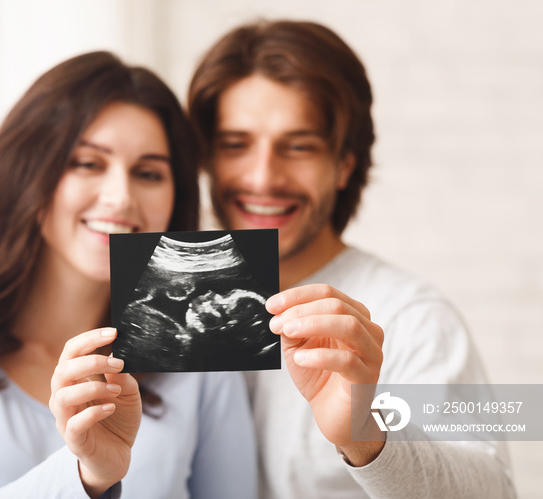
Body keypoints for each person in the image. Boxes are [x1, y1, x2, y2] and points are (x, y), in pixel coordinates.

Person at [0, 51, 256, 499]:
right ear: (26, 172)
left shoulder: (199, 356)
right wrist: (85, 476)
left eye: (148, 173)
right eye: (88, 163)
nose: (121, 197)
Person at [188, 19, 516, 498]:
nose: (262, 177)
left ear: (344, 163)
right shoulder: (171, 302)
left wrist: (367, 435)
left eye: (298, 147)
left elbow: (495, 490)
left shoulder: (412, 318)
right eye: (235, 145)